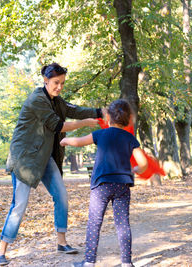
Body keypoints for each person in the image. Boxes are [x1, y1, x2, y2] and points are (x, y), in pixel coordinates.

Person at [0, 63, 105, 266]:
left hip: (45, 157)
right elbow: (58, 126)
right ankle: (1, 251)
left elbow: (73, 110)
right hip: (25, 159)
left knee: (61, 195)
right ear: (45, 81)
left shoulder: (56, 100)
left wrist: (100, 111)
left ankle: (62, 243)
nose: (59, 87)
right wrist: (88, 123)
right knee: (19, 205)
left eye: (62, 83)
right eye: (56, 83)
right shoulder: (37, 99)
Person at [60, 99, 148, 267]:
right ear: (128, 119)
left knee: (94, 222)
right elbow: (143, 163)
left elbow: (79, 141)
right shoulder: (130, 138)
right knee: (123, 224)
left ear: (108, 118)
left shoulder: (101, 134)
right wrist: (135, 170)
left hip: (101, 185)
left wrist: (65, 141)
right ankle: (127, 263)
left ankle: (89, 262)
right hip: (122, 185)